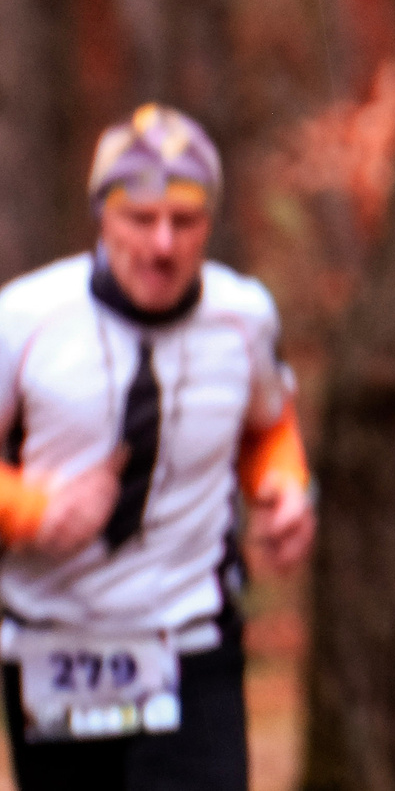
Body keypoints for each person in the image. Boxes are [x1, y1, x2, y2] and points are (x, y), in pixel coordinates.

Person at [0, 104, 315, 791]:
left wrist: (287, 488)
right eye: (140, 218)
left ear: (211, 222)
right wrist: (29, 510)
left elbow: (268, 424)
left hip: (189, 640)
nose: (163, 244)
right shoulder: (23, 320)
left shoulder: (243, 317)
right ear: (101, 217)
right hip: (55, 645)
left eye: (185, 219)